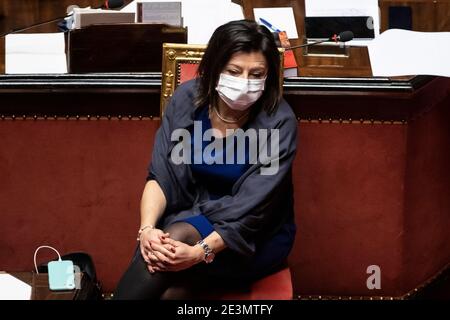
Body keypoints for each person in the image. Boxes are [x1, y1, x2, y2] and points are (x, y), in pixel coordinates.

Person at [113, 19, 298, 300]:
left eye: (256, 73)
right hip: (190, 214)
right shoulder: (188, 101)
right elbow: (163, 176)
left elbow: (254, 208)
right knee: (169, 286)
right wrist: (147, 230)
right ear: (213, 69)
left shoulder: (278, 122)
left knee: (176, 236)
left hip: (253, 235)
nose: (245, 83)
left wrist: (200, 252)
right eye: (234, 71)